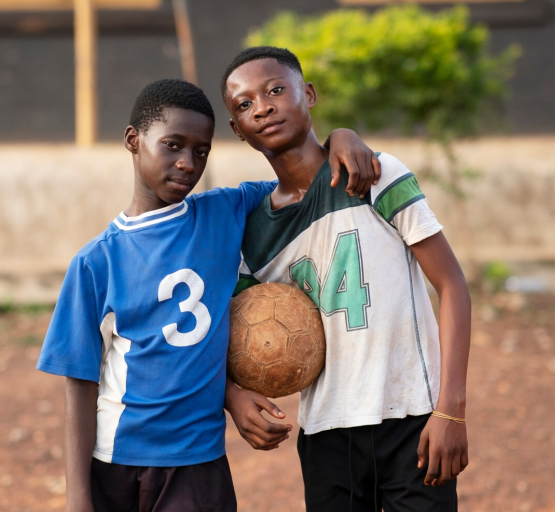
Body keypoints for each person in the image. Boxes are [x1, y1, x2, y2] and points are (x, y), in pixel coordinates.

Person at [36, 78, 379, 512]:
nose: (187, 164)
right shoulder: (95, 263)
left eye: (201, 152)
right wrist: (77, 497)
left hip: (199, 462)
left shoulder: (225, 211)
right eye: (173, 145)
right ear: (133, 140)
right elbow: (79, 388)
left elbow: (302, 178)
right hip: (117, 460)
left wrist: (340, 138)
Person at [222, 46, 471, 512]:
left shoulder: (372, 175)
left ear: (309, 94)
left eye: (276, 89)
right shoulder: (253, 236)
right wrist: (233, 396)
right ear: (237, 130)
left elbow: (453, 286)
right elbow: (227, 333)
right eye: (244, 104)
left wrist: (451, 408)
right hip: (326, 436)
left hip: (412, 418)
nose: (264, 106)